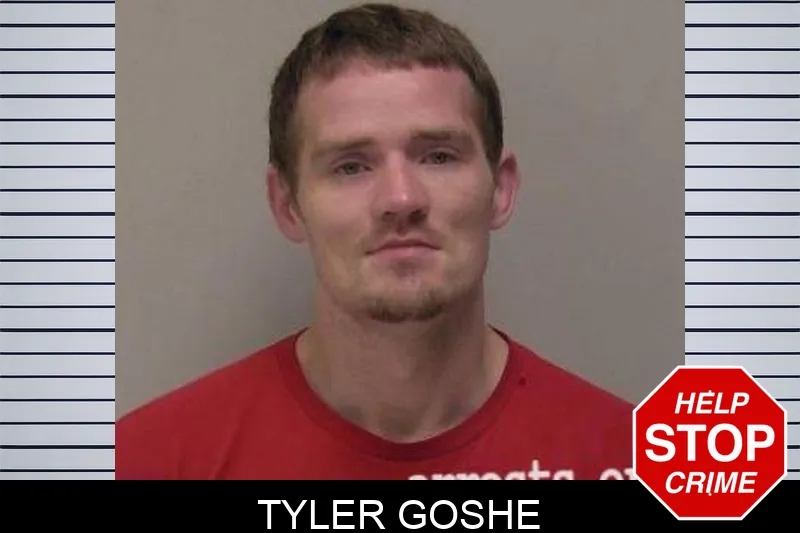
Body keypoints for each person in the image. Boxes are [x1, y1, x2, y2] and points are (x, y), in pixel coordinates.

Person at [116, 2, 634, 480]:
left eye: (438, 156)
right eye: (351, 166)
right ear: (287, 204)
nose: (401, 198)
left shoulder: (639, 464)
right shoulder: (145, 463)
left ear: (500, 189)